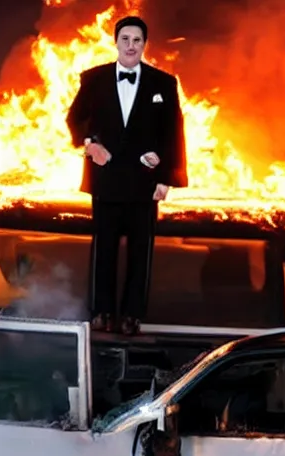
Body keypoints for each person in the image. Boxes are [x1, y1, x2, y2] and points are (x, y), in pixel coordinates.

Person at [66, 16, 188, 337]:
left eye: (137, 40)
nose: (131, 46)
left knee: (140, 253)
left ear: (144, 45)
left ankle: (132, 315)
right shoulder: (94, 80)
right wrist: (90, 145)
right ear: (115, 42)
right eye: (125, 40)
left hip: (144, 185)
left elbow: (174, 132)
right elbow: (74, 119)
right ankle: (102, 312)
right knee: (103, 250)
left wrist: (166, 178)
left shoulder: (163, 84)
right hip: (105, 181)